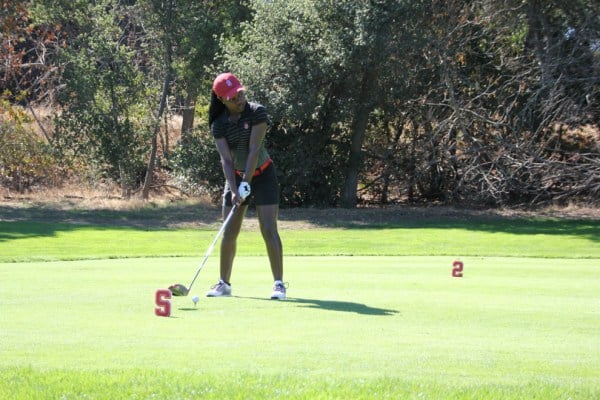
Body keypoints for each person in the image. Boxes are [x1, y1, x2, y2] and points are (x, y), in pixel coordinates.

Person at [205, 72, 286, 300]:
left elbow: (253, 150)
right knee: (229, 232)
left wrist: (246, 185)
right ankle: (224, 284)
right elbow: (227, 160)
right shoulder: (219, 125)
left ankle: (278, 284)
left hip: (263, 174)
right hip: (236, 177)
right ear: (222, 100)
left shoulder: (257, 111)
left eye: (240, 93)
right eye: (232, 97)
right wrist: (234, 188)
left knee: (268, 229)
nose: (239, 99)